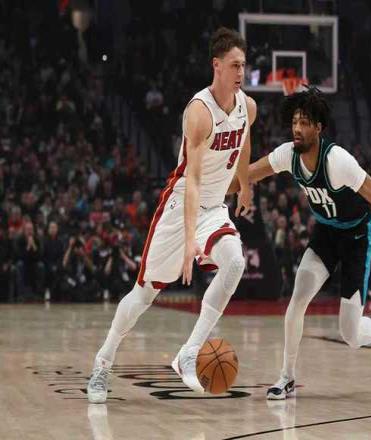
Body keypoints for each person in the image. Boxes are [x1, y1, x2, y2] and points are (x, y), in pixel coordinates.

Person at [229, 87, 371, 399]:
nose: (297, 128)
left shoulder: (338, 162)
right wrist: (203, 190)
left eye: (304, 123)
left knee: (351, 334)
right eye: (294, 122)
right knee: (297, 301)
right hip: (326, 234)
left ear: (318, 127)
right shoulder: (288, 154)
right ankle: (287, 377)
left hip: (356, 237)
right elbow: (246, 175)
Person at [87, 27, 256, 402]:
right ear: (216, 66)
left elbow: (245, 143)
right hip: (180, 207)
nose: (241, 72)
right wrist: (189, 241)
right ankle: (103, 361)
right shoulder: (199, 112)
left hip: (214, 208)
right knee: (143, 295)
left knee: (234, 263)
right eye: (234, 65)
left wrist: (245, 184)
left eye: (243, 65)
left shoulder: (248, 106)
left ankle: (189, 353)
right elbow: (192, 180)